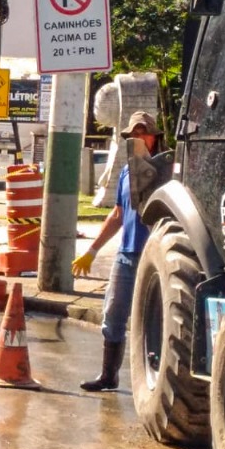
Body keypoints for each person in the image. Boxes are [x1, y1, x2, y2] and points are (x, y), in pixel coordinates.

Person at [71, 110, 171, 392]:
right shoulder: (127, 171)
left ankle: (157, 381)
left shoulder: (165, 170)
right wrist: (91, 250)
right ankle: (108, 376)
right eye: (132, 135)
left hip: (156, 258)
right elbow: (117, 214)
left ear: (154, 137)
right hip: (126, 256)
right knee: (113, 314)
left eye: (142, 133)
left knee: (156, 321)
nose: (137, 138)